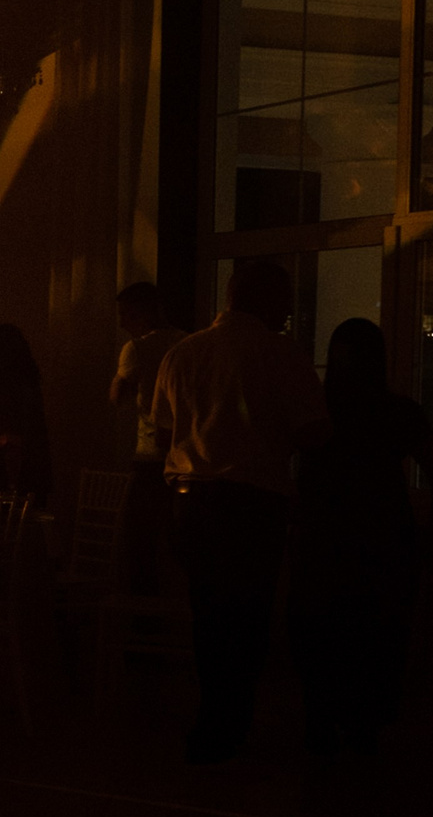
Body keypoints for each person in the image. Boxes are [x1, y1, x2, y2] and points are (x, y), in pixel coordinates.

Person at [146, 260, 330, 762]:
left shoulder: (182, 353)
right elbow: (312, 432)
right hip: (253, 504)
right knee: (248, 618)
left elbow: (165, 433)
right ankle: (233, 722)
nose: (290, 311)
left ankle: (213, 723)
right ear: (268, 299)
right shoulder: (280, 353)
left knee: (209, 615)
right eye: (285, 299)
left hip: (191, 500)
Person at [289, 319, 433, 757]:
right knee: (376, 638)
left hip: (323, 537)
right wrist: (429, 535)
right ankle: (364, 732)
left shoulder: (315, 409)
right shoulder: (399, 411)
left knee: (321, 634)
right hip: (385, 536)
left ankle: (320, 728)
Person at [109, 285, 185, 592]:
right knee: (174, 539)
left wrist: (120, 376)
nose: (123, 322)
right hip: (184, 457)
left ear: (144, 313)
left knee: (140, 540)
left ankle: (143, 614)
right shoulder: (186, 342)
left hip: (150, 454)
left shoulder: (137, 348)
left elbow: (117, 397)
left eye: (127, 314)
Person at [0, 323, 53, 503]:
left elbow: (15, 439)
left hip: (5, 486)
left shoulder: (12, 391)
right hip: (1, 481)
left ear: (1, 352)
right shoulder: (14, 388)